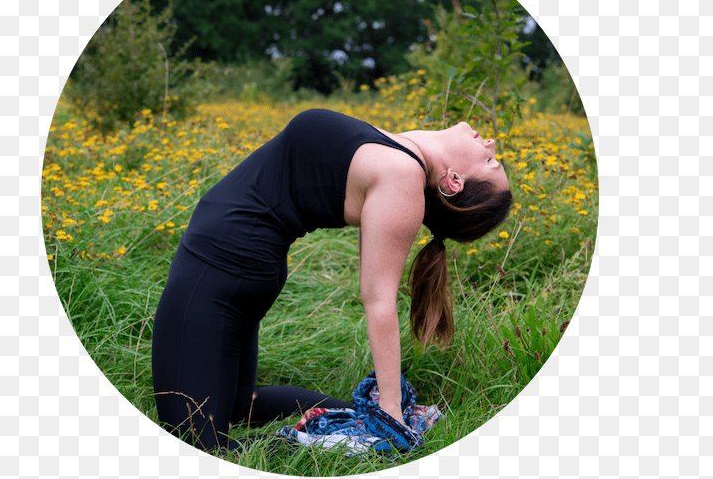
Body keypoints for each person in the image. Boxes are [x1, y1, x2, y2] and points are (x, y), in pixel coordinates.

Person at [151, 108, 513, 452]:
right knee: (239, 405)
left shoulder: (402, 176)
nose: (491, 146)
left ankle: (366, 433)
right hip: (233, 264)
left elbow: (379, 298)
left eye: (489, 162)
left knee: (194, 444)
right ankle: (359, 419)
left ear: (453, 181)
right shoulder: (402, 153)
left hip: (220, 269)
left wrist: (390, 408)